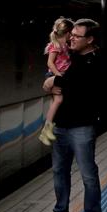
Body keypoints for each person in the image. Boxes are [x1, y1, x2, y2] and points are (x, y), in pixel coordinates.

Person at [38, 19, 107, 212]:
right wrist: (52, 81)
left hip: (82, 126)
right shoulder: (69, 57)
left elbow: (83, 85)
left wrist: (55, 81)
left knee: (88, 174)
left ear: (90, 40)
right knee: (59, 172)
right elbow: (57, 78)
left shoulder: (98, 61)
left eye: (77, 35)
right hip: (61, 125)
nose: (71, 38)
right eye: (71, 34)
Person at [39, 17, 74, 145]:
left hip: (60, 75)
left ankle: (48, 129)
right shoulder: (56, 45)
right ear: (68, 33)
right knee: (58, 100)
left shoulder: (64, 45)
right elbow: (50, 62)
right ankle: (46, 130)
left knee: (56, 101)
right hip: (55, 75)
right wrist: (58, 76)